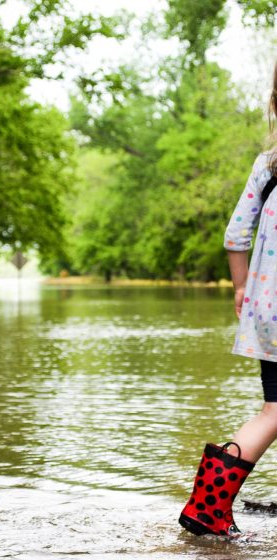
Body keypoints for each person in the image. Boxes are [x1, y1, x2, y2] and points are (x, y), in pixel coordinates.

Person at [178, 64, 277, 538]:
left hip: (268, 310)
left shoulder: (267, 164)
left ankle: (207, 507)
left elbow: (236, 235)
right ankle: (205, 510)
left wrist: (241, 288)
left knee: (274, 411)